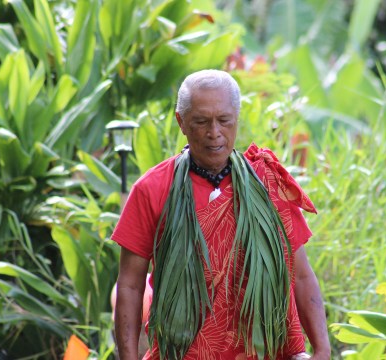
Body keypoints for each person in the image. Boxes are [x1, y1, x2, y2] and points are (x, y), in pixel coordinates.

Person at [112, 69, 331, 360]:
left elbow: (301, 274)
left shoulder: (268, 182)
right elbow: (129, 285)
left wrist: (322, 349)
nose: (214, 133)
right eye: (201, 122)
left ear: (236, 118)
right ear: (182, 122)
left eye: (224, 121)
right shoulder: (152, 189)